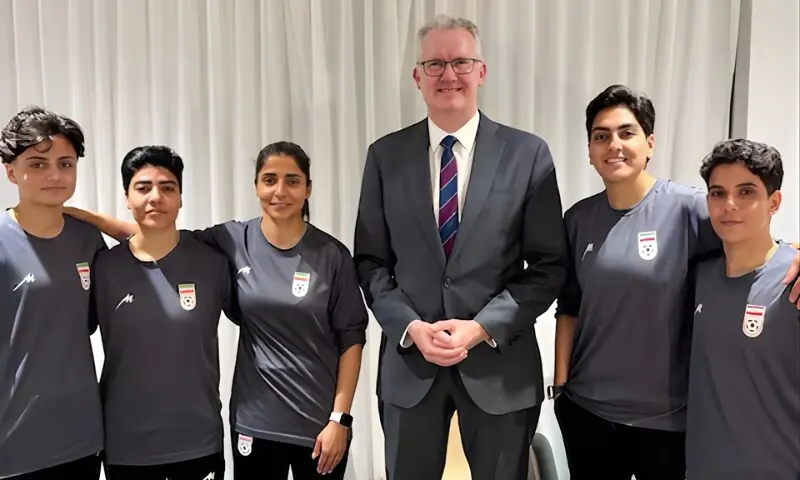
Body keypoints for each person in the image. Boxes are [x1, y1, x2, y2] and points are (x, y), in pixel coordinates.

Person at [66, 141, 368, 480]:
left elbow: (352, 337)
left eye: (293, 181)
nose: (280, 191)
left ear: (308, 188)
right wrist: (88, 219)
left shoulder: (331, 254)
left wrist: (340, 418)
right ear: (256, 186)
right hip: (253, 422)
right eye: (269, 179)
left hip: (315, 422)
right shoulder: (231, 240)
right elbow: (158, 236)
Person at [354, 14, 569, 479]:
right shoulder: (384, 157)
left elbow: (549, 266)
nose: (449, 75)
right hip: (410, 368)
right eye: (434, 64)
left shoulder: (528, 155)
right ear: (417, 77)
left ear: (481, 71)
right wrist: (410, 326)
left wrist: (482, 327)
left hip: (499, 366)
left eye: (461, 62)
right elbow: (371, 263)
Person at [552, 85, 800, 479]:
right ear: (589, 150)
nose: (614, 144)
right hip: (589, 412)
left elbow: (750, 236)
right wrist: (561, 389)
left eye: (626, 132)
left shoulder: (689, 208)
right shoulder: (577, 219)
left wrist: (796, 253)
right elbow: (570, 306)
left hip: (668, 422)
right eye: (602, 136)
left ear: (649, 143)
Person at [92, 146, 232, 479]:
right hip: (126, 445)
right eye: (143, 188)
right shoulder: (103, 267)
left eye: (168, 188)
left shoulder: (213, 262)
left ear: (181, 198)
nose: (156, 197)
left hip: (198, 442)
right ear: (126, 197)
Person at [0, 106, 105, 479]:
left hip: (81, 439)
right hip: (13, 443)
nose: (55, 175)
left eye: (66, 163)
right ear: (10, 170)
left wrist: (100, 220)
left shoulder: (88, 240)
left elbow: (151, 248)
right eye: (38, 164)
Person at [686, 139, 800, 479]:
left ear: (774, 202)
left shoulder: (793, 281)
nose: (729, 205)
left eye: (747, 192)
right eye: (718, 193)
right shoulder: (697, 276)